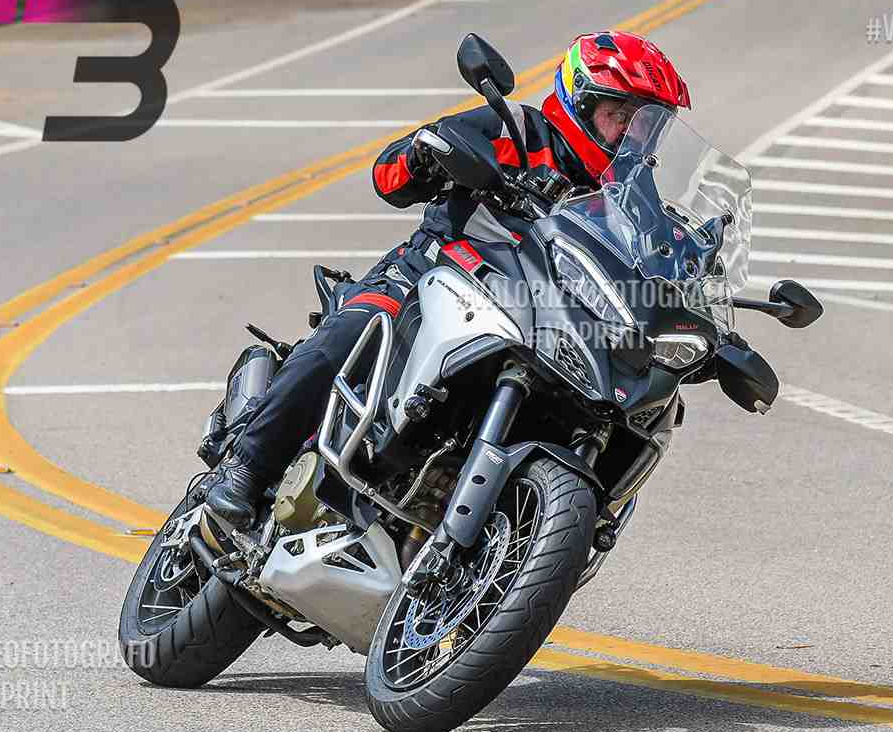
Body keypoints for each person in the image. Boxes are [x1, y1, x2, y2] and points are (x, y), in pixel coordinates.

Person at [204, 30, 692, 527]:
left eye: (645, 124)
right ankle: (247, 466)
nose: (631, 134)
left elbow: (668, 264)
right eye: (620, 115)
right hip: (433, 275)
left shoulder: (632, 202)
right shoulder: (517, 129)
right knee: (352, 332)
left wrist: (699, 298)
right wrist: (424, 156)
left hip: (539, 320)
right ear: (580, 102)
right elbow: (388, 175)